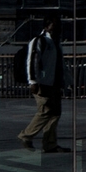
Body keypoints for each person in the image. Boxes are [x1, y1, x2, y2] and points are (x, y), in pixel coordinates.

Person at [19, 16, 67, 154]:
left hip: (55, 83)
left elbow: (61, 65)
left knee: (55, 113)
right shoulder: (39, 41)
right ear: (46, 27)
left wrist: (67, 81)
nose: (57, 29)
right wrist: (33, 81)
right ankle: (26, 135)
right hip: (43, 83)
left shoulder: (56, 43)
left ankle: (50, 143)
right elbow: (32, 61)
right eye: (54, 25)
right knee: (46, 111)